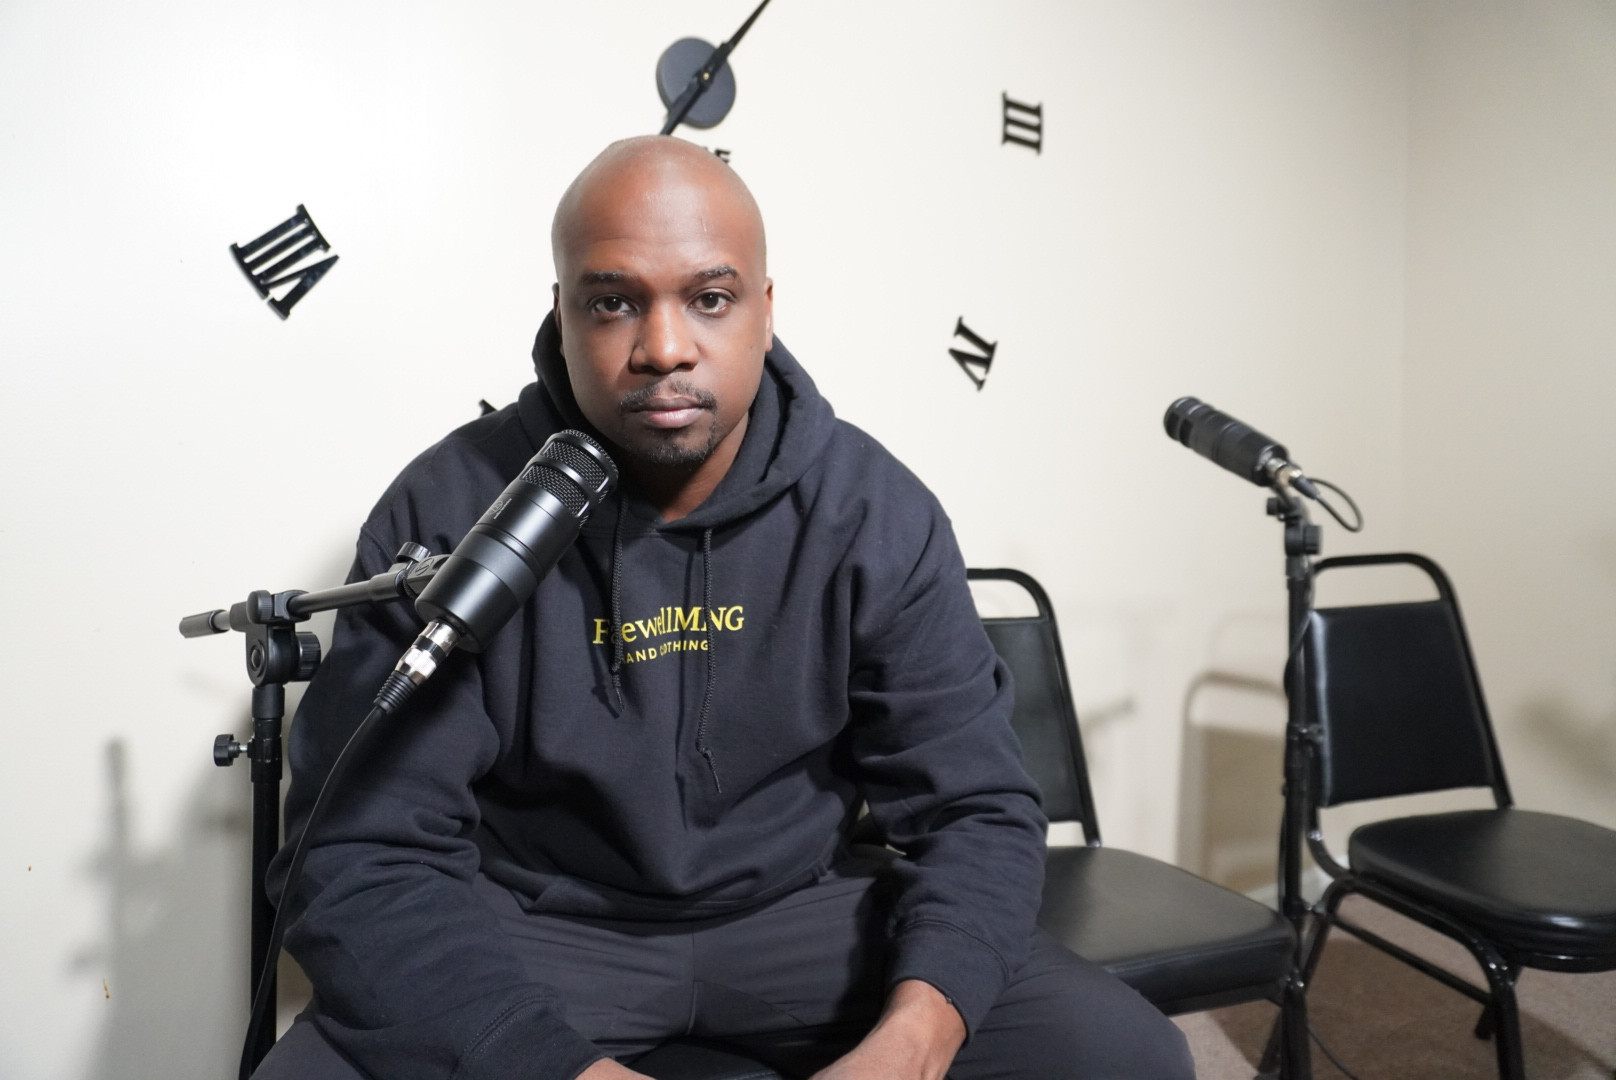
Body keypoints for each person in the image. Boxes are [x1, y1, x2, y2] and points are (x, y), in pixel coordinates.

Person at [254, 136, 1194, 1080]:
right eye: (613, 302)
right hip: (541, 922)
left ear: (765, 310)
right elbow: (360, 850)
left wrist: (914, 1042)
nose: (664, 348)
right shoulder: (449, 508)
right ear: (562, 313)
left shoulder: (874, 511)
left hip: (802, 911)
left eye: (709, 298)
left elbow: (977, 810)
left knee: (1127, 1056)